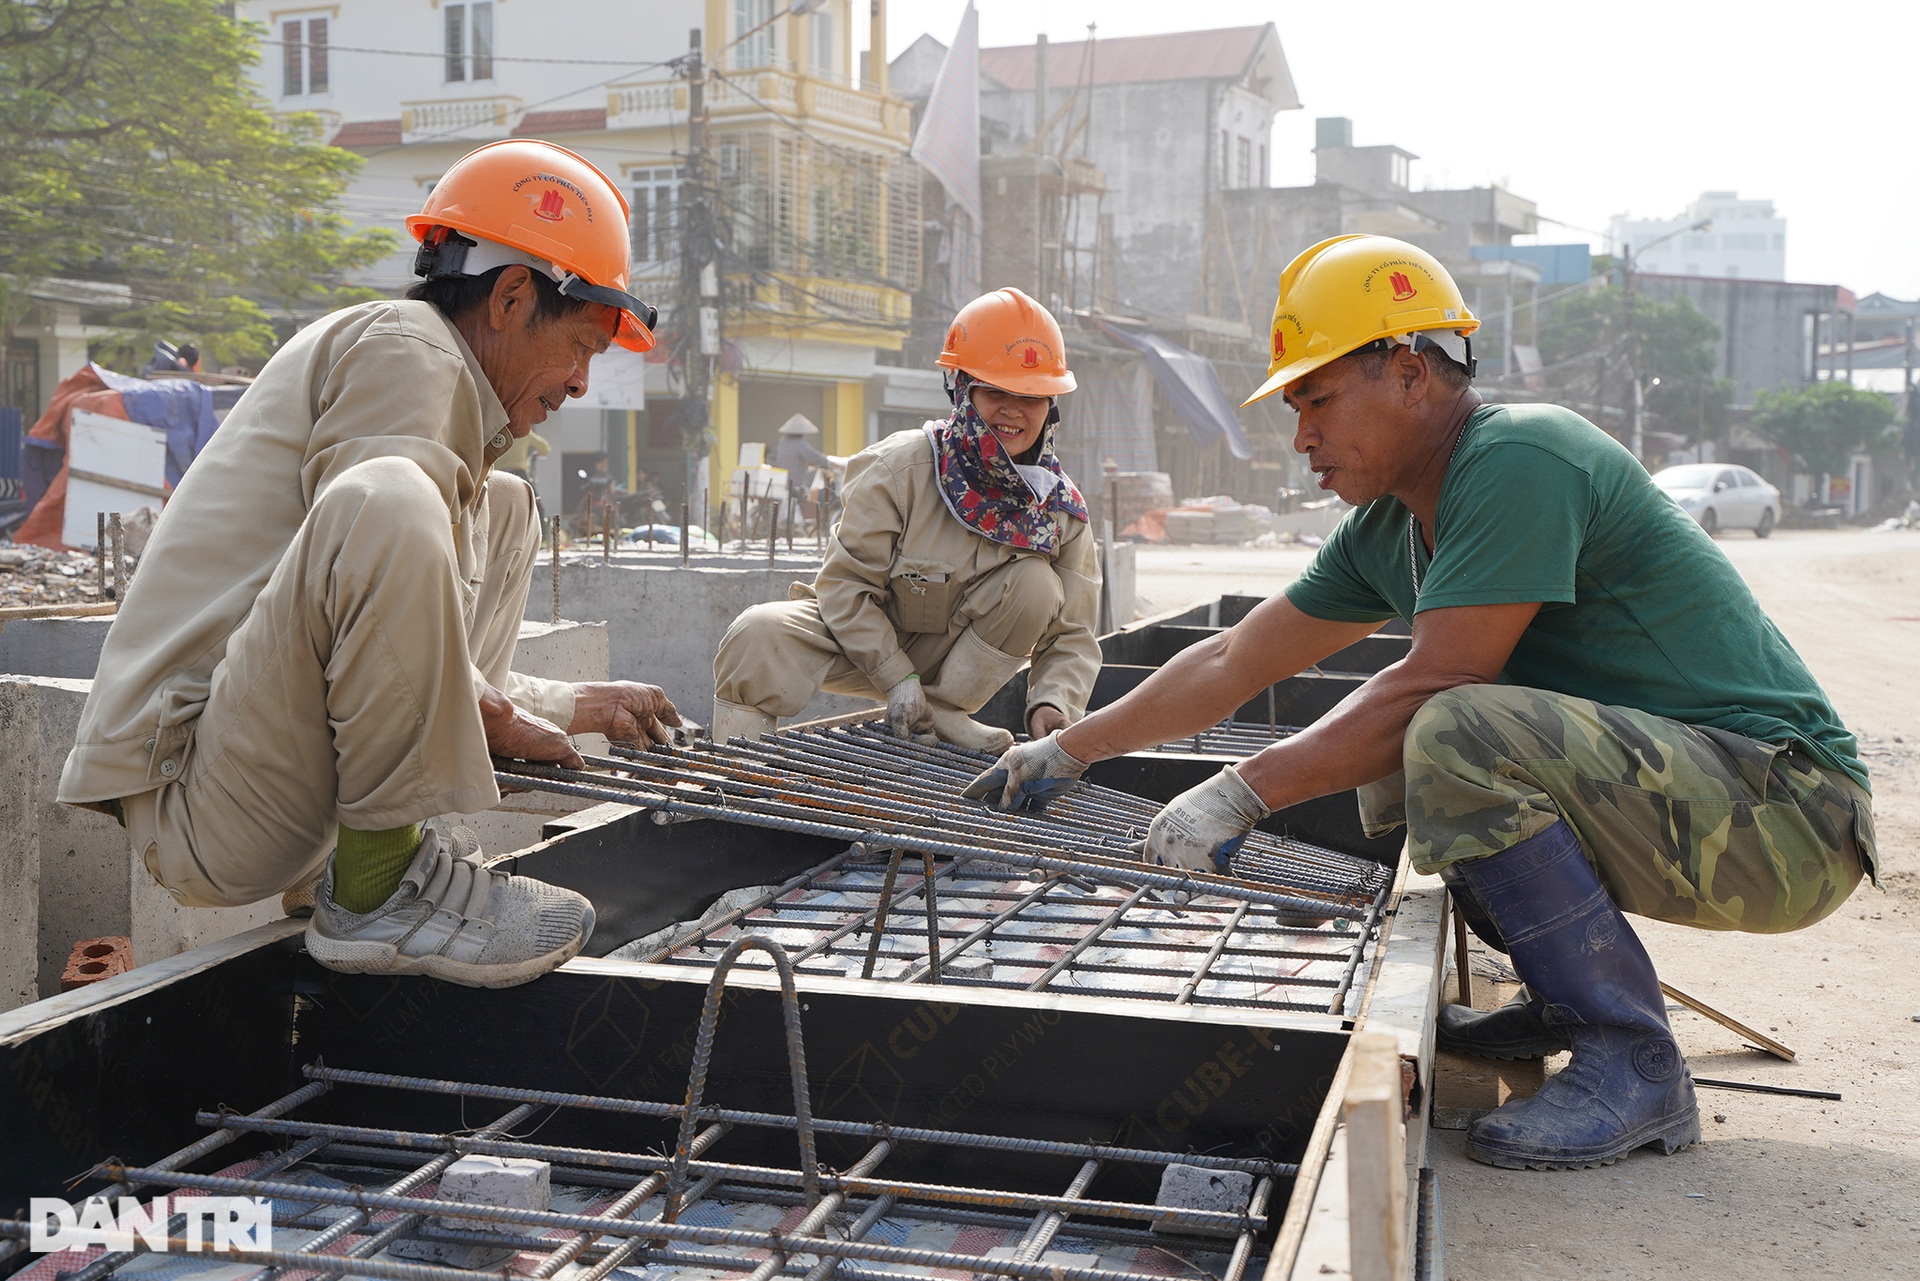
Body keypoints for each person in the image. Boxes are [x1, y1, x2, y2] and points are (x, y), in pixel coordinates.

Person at [965, 235, 1875, 1170]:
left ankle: (1634, 1055)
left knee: (1449, 728)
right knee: (1417, 747)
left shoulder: (1523, 458)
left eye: (1317, 399)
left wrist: (1240, 793)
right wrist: (1070, 748)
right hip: (1704, 800)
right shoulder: (1391, 526)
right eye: (1294, 408)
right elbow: (1237, 657)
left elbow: (1439, 679)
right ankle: (1565, 998)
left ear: (1408, 374)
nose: (1301, 436)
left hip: (1790, 814)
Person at [57, 139, 682, 989]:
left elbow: (403, 647)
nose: (578, 383)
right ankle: (378, 887)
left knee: (504, 508)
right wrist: (488, 718)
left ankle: (363, 858)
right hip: (199, 792)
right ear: (509, 297)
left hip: (267, 783)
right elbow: (372, 537)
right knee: (387, 497)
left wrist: (576, 706)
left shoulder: (453, 408)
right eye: (580, 346)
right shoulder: (411, 348)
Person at [713, 287, 1101, 753]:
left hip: (953, 665)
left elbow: (1073, 633)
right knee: (757, 632)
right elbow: (846, 588)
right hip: (863, 642)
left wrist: (1053, 703)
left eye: (1031, 396)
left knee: (1036, 583)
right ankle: (737, 764)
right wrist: (897, 678)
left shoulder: (1058, 509)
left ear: (1051, 406)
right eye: (995, 390)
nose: (1013, 410)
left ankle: (940, 712)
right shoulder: (897, 469)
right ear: (962, 391)